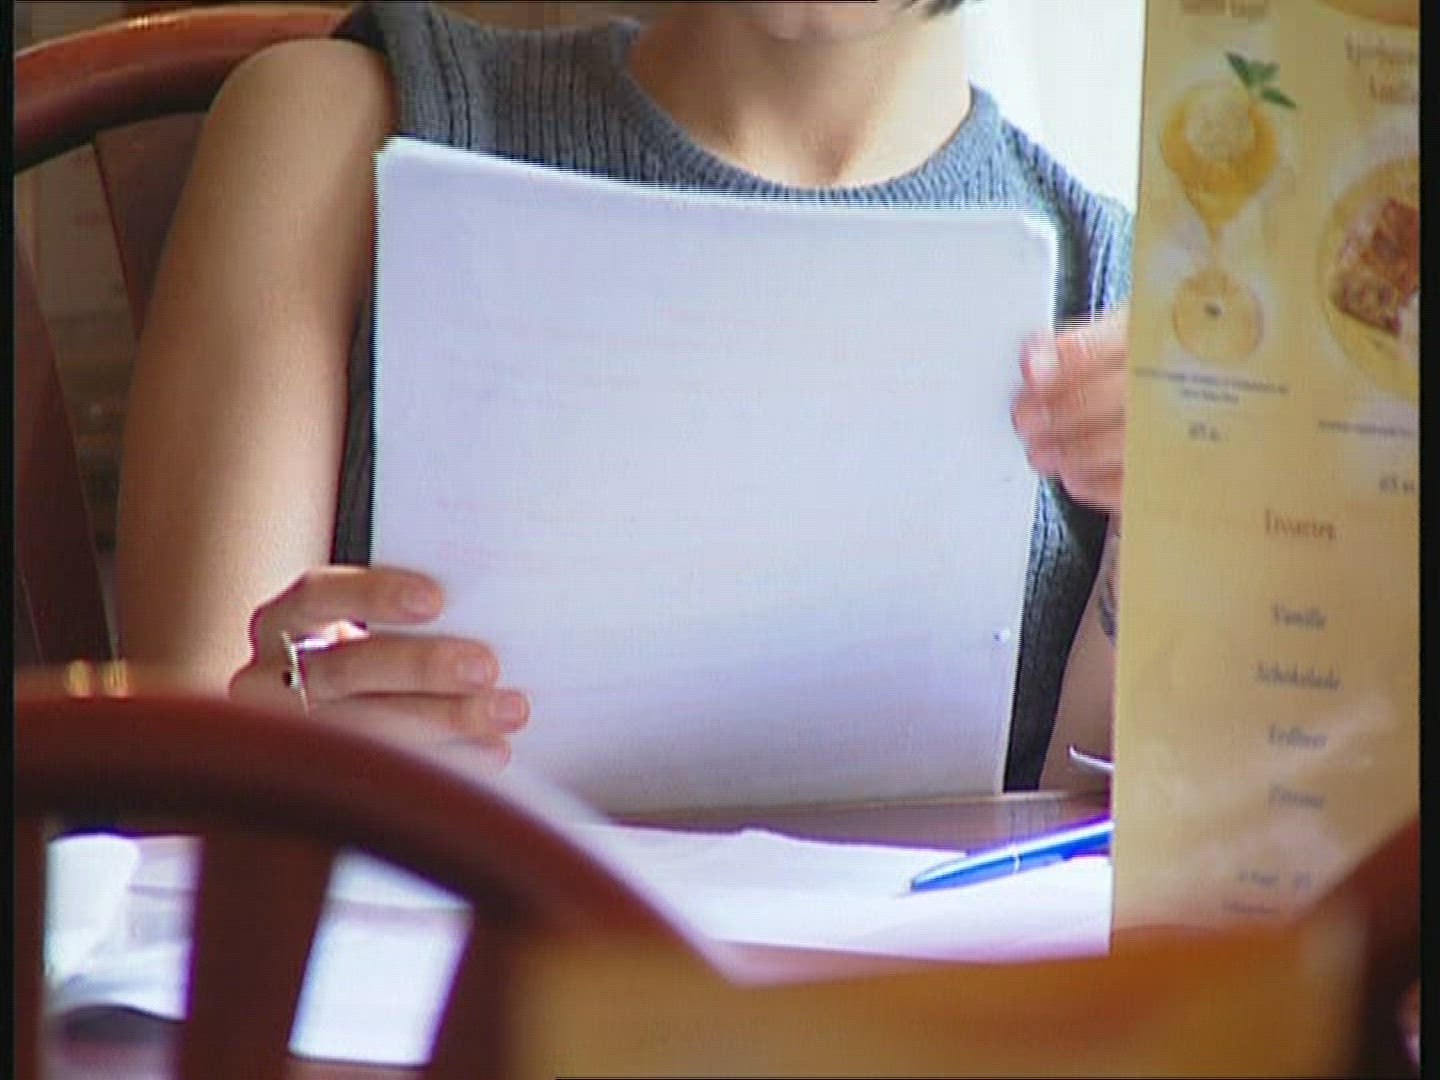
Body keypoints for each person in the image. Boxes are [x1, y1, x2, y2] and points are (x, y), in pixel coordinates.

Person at [116, 0, 1129, 794]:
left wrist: (1168, 543)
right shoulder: (341, 129)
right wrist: (273, 742)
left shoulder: (1134, 309)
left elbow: (1097, 885)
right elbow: (181, 799)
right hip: (428, 980)